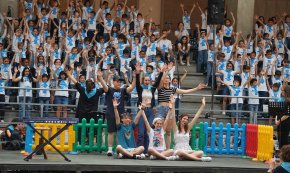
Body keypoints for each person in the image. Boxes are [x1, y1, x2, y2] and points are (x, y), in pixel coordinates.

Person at [98, 70, 136, 156]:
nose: (119, 83)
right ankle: (110, 149)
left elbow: (132, 87)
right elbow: (104, 86)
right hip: (111, 113)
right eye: (117, 81)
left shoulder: (123, 90)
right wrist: (100, 78)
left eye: (120, 82)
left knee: (120, 132)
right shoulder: (109, 89)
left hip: (121, 115)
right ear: (113, 81)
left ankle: (121, 149)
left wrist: (134, 77)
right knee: (111, 132)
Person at [171, 97, 212, 161]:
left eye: (187, 119)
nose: (185, 120)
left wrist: (203, 105)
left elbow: (196, 117)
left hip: (188, 150)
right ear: (180, 119)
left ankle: (180, 158)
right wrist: (173, 104)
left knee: (201, 152)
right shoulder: (175, 128)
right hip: (178, 150)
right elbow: (173, 116)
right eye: (184, 118)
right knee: (181, 152)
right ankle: (199, 159)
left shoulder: (188, 128)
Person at [141, 95, 175, 160]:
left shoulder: (162, 130)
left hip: (162, 151)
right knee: (150, 149)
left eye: (160, 124)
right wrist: (142, 109)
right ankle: (165, 157)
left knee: (171, 150)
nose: (159, 125)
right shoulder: (150, 130)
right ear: (154, 124)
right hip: (153, 151)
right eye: (157, 124)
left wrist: (170, 109)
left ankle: (156, 156)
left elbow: (167, 118)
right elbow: (145, 120)